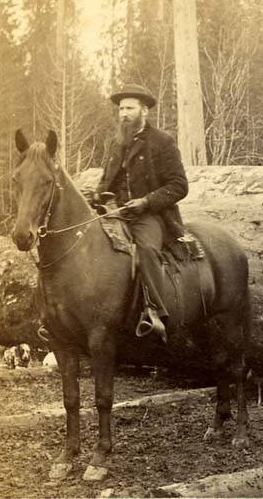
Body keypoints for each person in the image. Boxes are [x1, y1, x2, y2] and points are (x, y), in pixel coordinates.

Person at [96, 83, 188, 342]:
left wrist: (146, 202)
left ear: (144, 111)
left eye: (129, 108)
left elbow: (179, 186)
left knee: (146, 249)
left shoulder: (162, 142)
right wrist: (99, 195)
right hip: (116, 212)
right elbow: (106, 181)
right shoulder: (117, 143)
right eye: (121, 109)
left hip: (151, 215)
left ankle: (155, 311)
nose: (123, 114)